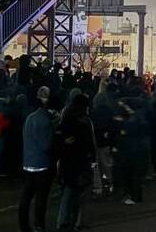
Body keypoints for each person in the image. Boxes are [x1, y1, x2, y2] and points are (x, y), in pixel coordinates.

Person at [55, 94, 95, 232]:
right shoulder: (84, 122)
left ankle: (62, 220)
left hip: (67, 162)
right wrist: (92, 158)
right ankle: (78, 221)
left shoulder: (65, 120)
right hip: (80, 162)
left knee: (67, 191)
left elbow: (58, 140)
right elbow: (88, 144)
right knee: (81, 193)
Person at [18, 87, 55, 232]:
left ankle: (24, 225)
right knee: (41, 197)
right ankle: (39, 225)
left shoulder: (29, 118)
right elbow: (45, 145)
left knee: (26, 197)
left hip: (28, 162)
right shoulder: (45, 120)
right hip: (41, 164)